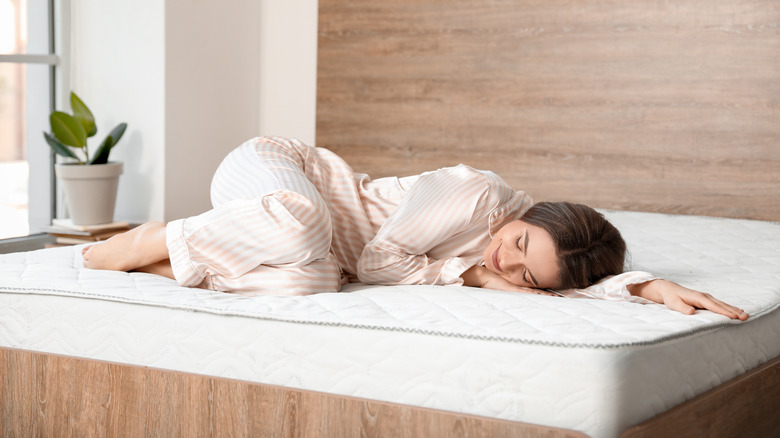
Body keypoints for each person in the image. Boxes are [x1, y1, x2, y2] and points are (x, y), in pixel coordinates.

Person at [82, 136, 748, 320]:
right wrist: (479, 273)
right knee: (307, 228)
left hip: (310, 245)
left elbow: (566, 284)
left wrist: (650, 287)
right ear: (526, 216)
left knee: (309, 282)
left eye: (524, 276)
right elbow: (377, 264)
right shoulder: (476, 193)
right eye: (518, 244)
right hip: (279, 174)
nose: (505, 262)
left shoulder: (536, 264)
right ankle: (144, 238)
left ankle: (160, 251)